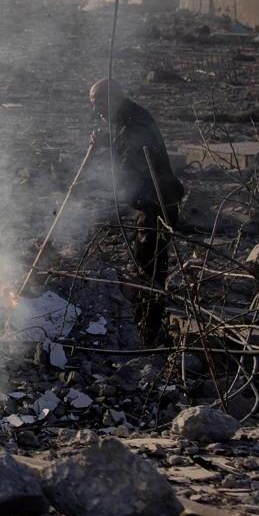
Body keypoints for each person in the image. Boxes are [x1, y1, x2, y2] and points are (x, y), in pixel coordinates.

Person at [88, 78, 186, 345]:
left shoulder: (137, 119)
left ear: (114, 98)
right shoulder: (125, 120)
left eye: (99, 104)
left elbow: (137, 149)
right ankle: (145, 323)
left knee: (151, 268)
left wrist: (111, 142)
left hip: (159, 204)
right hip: (149, 203)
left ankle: (149, 330)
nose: (97, 111)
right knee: (144, 264)